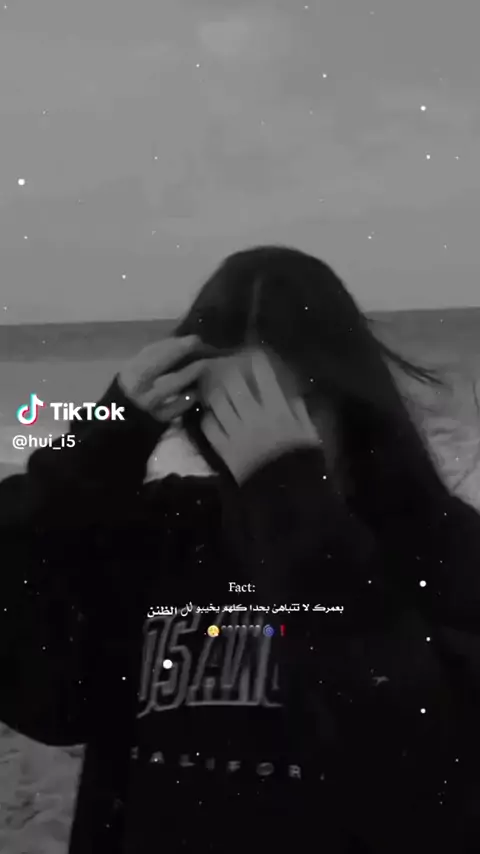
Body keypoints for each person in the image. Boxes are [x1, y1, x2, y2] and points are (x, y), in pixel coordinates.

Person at [1, 244, 479, 853]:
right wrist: (98, 451)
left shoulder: (436, 543)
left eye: (286, 404)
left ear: (349, 398)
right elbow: (41, 692)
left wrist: (295, 506)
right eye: (226, 405)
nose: (251, 431)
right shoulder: (163, 533)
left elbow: (429, 770)